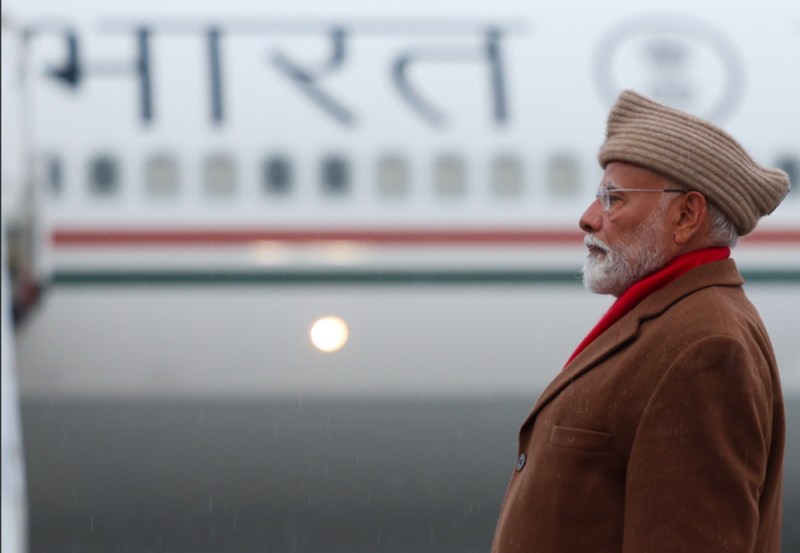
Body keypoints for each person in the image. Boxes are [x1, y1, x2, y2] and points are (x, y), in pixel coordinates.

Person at [491, 90, 789, 552]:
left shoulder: (705, 348)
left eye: (613, 199)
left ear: (687, 215)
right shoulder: (673, 321)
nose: (588, 219)